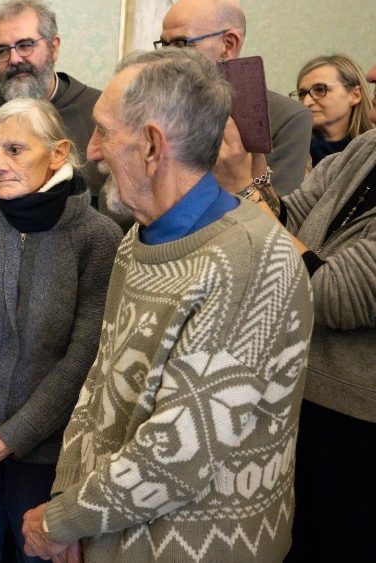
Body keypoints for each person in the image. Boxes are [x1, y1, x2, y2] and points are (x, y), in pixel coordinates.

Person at [20, 48, 313, 562]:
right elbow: (100, 383)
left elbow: (181, 453)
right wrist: (68, 503)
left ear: (152, 146)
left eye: (103, 132)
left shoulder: (252, 258)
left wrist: (61, 521)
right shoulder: (137, 240)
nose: (90, 152)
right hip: (111, 534)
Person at [0, 97, 121, 563]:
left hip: (45, 458)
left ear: (58, 153)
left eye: (15, 150)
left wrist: (11, 438)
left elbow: (83, 359)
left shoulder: (97, 237)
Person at [214, 62, 376, 562]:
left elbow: (332, 293)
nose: (370, 76)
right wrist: (245, 176)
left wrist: (244, 185)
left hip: (354, 421)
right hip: (297, 391)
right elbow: (293, 213)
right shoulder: (367, 151)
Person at [0, 0, 104, 201]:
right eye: (2, 51)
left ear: (54, 47)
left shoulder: (98, 112)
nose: (14, 59)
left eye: (25, 45)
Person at [159, 0, 311, 195]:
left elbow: (277, 218)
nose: (167, 58)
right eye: (164, 45)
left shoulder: (287, 118)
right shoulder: (157, 106)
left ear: (228, 44)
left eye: (181, 44)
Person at [292, 54, 373, 166]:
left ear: (355, 95)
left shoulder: (371, 150)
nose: (306, 102)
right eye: (302, 94)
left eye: (320, 89)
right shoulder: (293, 148)